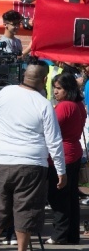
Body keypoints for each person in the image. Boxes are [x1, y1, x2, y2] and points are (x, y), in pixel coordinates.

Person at [0, 61, 67, 251]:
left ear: (24, 75)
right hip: (32, 163)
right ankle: (22, 249)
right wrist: (61, 171)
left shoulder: (5, 93)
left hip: (2, 160)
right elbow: (54, 140)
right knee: (26, 208)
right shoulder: (43, 104)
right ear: (44, 79)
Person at [46, 72, 85, 245]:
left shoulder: (64, 106)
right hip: (74, 152)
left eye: (59, 88)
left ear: (68, 89)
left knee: (58, 196)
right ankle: (70, 234)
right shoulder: (79, 105)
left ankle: (59, 234)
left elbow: (51, 127)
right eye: (55, 88)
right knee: (70, 198)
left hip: (62, 154)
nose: (55, 92)